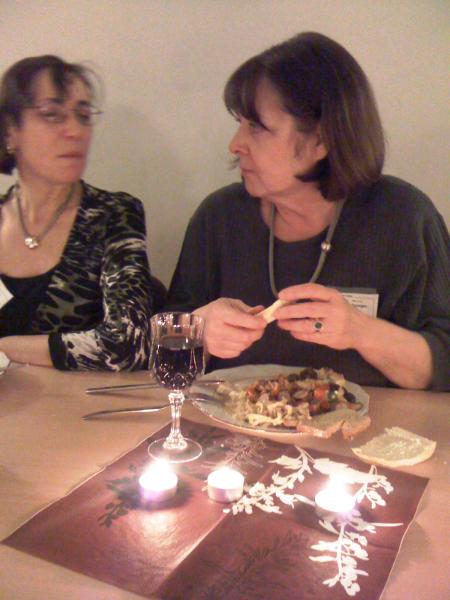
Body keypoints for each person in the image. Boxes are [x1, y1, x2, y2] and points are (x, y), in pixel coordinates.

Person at [167, 32, 450, 391]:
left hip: (372, 426)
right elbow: (163, 358)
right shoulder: (219, 218)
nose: (235, 144)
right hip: (231, 424)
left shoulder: (404, 218)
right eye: (239, 123)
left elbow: (444, 364)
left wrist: (359, 331)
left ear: (321, 140)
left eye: (256, 127)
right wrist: (197, 332)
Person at [0, 55, 165, 370]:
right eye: (52, 115)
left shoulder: (114, 215)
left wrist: (4, 349)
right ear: (9, 130)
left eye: (84, 115)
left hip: (71, 402)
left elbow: (128, 344)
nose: (75, 131)